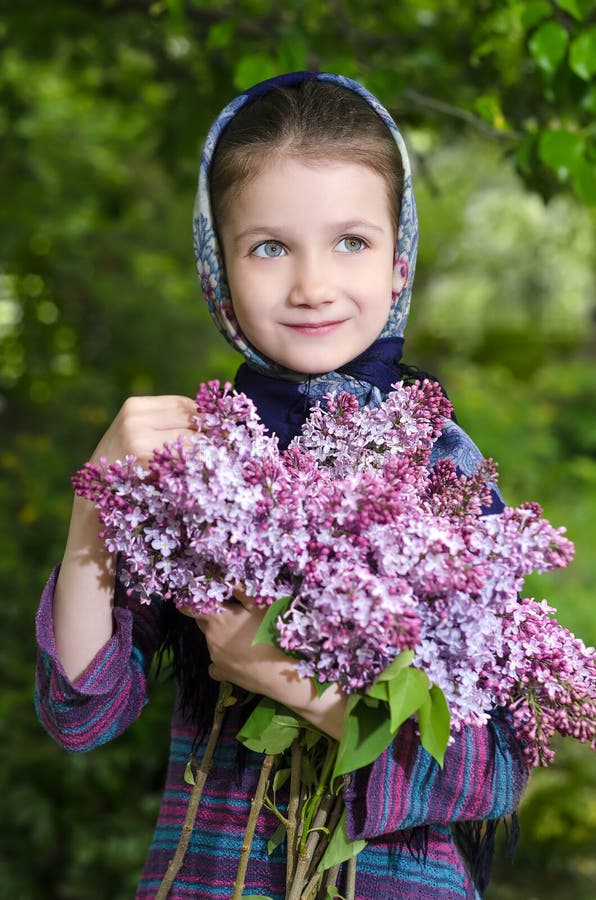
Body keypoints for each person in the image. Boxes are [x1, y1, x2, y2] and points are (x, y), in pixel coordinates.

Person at [35, 72, 529, 899]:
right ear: (216, 267)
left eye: (351, 242)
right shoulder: (199, 460)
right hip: (210, 877)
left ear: (399, 259)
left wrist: (282, 678)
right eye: (270, 246)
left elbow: (498, 773)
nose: (312, 284)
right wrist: (98, 497)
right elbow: (80, 714)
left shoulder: (444, 465)